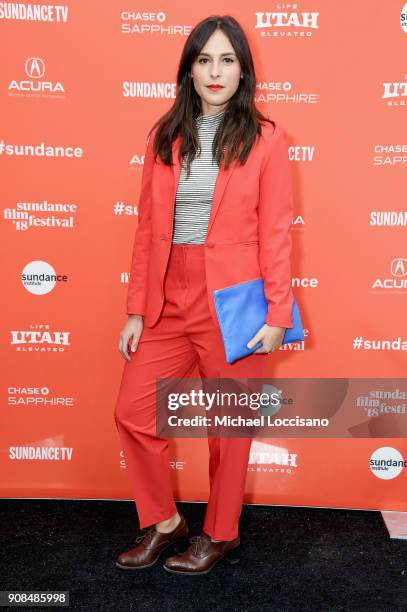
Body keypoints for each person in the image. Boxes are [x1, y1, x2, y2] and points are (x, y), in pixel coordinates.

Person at [114, 14, 295, 575]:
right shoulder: (165, 135)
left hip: (236, 299)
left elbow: (276, 231)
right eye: (204, 59)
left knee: (229, 426)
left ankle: (220, 534)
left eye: (227, 60)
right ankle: (166, 522)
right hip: (170, 296)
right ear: (188, 70)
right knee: (132, 413)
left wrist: (277, 312)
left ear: (243, 70)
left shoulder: (266, 137)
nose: (215, 71)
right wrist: (137, 309)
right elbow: (148, 229)